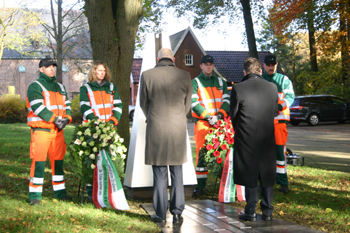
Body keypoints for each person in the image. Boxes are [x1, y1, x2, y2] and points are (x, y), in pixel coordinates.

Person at [140, 48, 192, 224]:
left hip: (156, 128)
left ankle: (161, 213)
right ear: (174, 59)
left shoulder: (147, 75)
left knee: (160, 172)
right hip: (177, 129)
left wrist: (153, 117)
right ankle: (177, 212)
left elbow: (143, 103)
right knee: (177, 171)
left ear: (158, 58)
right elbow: (188, 104)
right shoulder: (185, 76)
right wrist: (178, 118)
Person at [230, 57, 278, 221]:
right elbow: (274, 111)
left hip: (246, 135)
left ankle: (250, 210)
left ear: (244, 72)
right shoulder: (272, 88)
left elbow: (234, 116)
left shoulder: (238, 89)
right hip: (267, 135)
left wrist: (241, 129)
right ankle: (268, 211)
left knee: (249, 171)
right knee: (267, 172)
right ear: (261, 70)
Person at [26, 57, 72, 206]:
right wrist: (56, 119)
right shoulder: (35, 86)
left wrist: (67, 119)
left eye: (53, 66)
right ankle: (35, 196)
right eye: (48, 66)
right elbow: (37, 107)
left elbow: (68, 105)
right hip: (41, 131)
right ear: (41, 69)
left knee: (58, 162)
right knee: (39, 163)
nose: (52, 68)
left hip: (58, 132)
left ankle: (60, 193)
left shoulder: (61, 87)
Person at [80, 61, 122, 199]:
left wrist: (111, 122)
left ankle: (108, 190)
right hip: (93, 128)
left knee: (109, 158)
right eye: (99, 70)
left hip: (109, 128)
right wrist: (96, 122)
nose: (102, 73)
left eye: (104, 70)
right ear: (93, 72)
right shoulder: (86, 88)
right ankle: (91, 191)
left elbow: (117, 107)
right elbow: (85, 107)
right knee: (91, 160)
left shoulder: (111, 87)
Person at [191, 54, 230, 197]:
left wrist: (219, 115)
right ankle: (200, 185)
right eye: (206, 64)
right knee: (202, 155)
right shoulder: (195, 82)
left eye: (210, 64)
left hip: (220, 122)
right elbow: (194, 103)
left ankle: (224, 184)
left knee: (223, 153)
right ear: (201, 66)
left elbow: (227, 100)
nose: (208, 66)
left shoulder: (221, 82)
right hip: (203, 123)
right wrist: (208, 117)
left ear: (213, 66)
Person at [262, 54, 295, 194]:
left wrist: (278, 107)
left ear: (276, 64)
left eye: (273, 65)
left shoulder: (284, 80)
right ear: (264, 65)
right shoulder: (260, 80)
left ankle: (283, 183)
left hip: (279, 123)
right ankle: (262, 182)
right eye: (268, 65)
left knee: (280, 155)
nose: (271, 67)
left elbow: (290, 97)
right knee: (263, 154)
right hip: (262, 123)